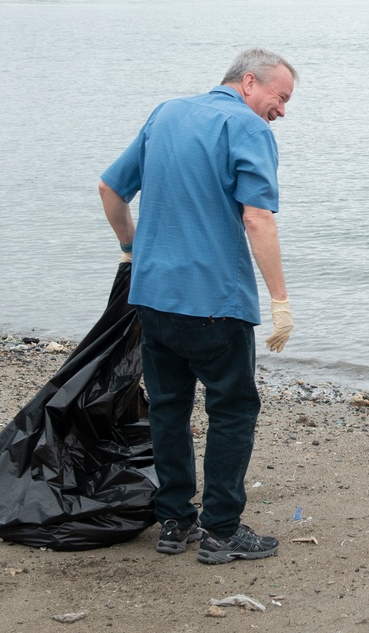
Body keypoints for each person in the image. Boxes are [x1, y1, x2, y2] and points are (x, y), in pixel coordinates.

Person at [99, 47, 297, 565]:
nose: (281, 110)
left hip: (153, 297)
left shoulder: (166, 113)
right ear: (249, 82)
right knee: (232, 409)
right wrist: (279, 300)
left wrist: (130, 248)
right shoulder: (249, 129)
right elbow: (257, 219)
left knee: (168, 407)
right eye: (280, 97)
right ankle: (222, 531)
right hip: (214, 300)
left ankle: (174, 521)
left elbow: (110, 188)